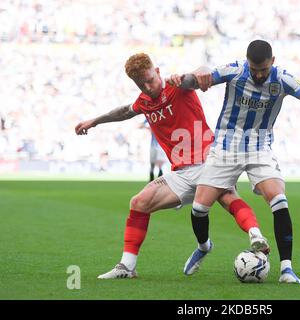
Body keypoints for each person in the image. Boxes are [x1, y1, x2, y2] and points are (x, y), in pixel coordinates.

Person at [168, 40, 300, 284]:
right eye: (254, 69)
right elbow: (197, 80)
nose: (259, 74)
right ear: (247, 62)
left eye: (263, 69)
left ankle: (287, 269)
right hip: (225, 147)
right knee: (199, 209)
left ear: (272, 62)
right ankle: (203, 246)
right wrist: (185, 78)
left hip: (259, 148)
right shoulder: (234, 71)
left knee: (279, 199)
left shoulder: (283, 79)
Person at [74, 53, 269, 279]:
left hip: (210, 160)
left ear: (157, 71)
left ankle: (256, 236)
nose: (147, 87)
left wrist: (200, 70)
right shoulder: (144, 102)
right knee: (139, 202)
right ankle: (127, 267)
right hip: (182, 172)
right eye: (141, 84)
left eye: (150, 80)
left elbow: (200, 71)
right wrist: (95, 121)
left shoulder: (178, 85)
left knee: (226, 197)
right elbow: (124, 111)